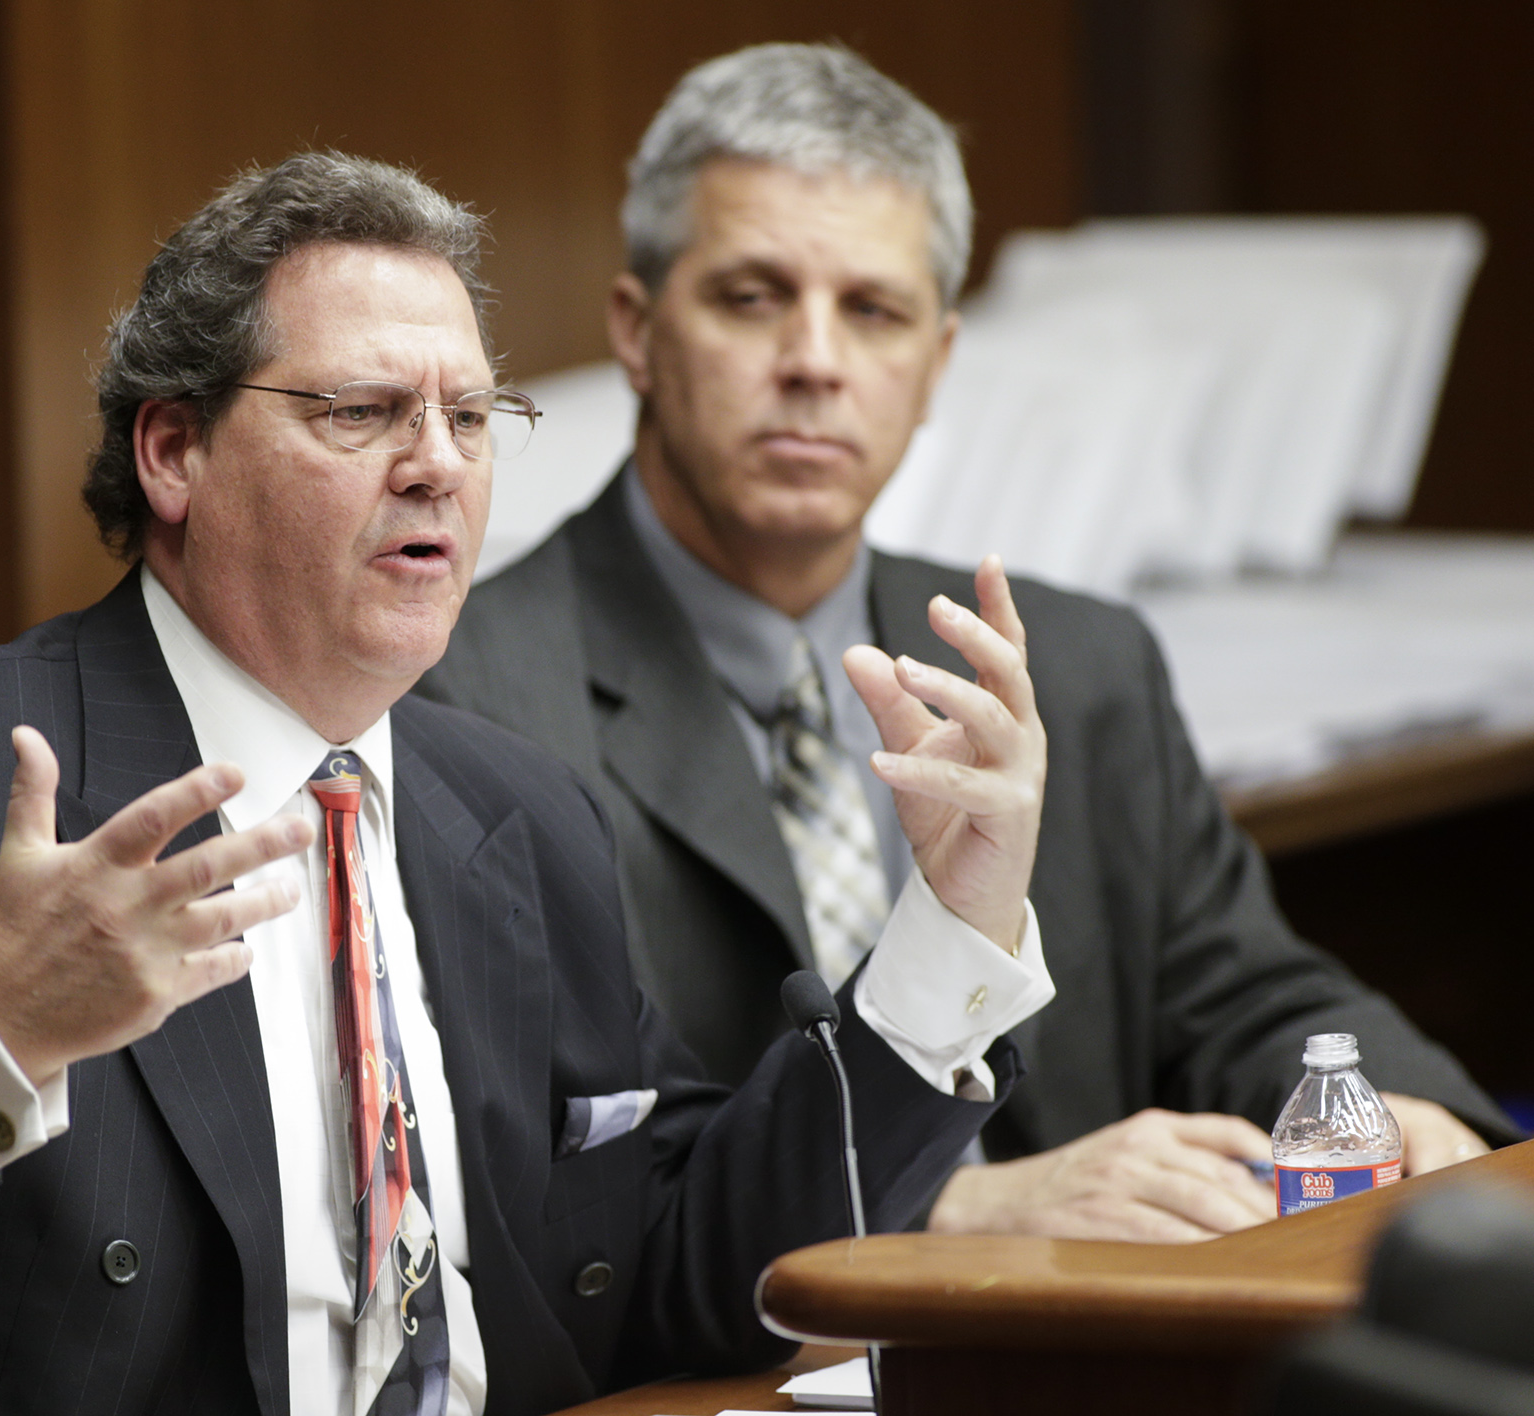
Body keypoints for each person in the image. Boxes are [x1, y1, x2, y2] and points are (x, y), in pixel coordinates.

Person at [0, 151, 1057, 1416]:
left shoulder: (520, 818)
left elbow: (684, 1273)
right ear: (174, 451)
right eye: (360, 412)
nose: (437, 468)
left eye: (470, 419)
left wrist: (954, 925)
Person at [419, 42, 1515, 1247]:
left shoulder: (1082, 666)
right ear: (636, 330)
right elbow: (534, 1165)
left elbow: (1241, 991)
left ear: (938, 365)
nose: (815, 363)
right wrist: (953, 1202)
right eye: (751, 297)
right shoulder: (461, 696)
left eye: (875, 311)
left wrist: (1402, 1119)